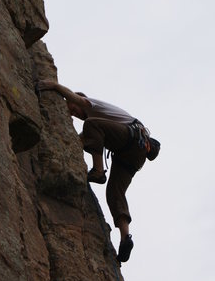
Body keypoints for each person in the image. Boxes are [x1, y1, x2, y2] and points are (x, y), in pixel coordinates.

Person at [38, 80, 155, 263]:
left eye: (73, 108)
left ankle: (98, 171)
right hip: (133, 152)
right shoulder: (96, 126)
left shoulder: (92, 106)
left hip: (131, 139)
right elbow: (77, 143)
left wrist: (54, 86)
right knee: (114, 193)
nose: (74, 113)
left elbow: (80, 104)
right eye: (72, 113)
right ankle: (125, 238)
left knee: (91, 124)